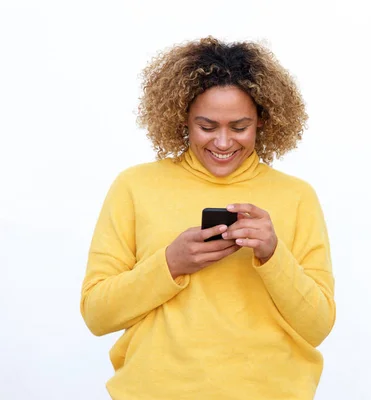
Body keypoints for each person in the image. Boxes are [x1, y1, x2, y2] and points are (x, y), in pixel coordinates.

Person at [79, 36, 336, 400]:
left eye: (239, 126)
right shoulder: (135, 186)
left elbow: (318, 325)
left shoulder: (297, 197)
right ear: (183, 117)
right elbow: (97, 315)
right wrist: (171, 263)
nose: (223, 142)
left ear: (262, 121)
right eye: (207, 126)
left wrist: (272, 255)